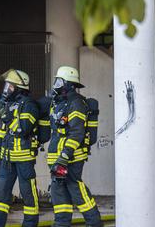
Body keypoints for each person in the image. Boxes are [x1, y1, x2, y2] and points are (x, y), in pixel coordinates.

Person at [0, 69, 48, 227]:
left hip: (24, 159)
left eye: (10, 87)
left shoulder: (29, 105)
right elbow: (5, 128)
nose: (7, 90)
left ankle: (30, 224)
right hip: (7, 159)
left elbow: (23, 129)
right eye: (7, 86)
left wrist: (6, 115)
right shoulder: (10, 105)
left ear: (20, 87)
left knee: (28, 194)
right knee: (1, 194)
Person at [48, 66, 102, 227]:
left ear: (69, 85)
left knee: (74, 187)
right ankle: (62, 223)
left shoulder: (76, 103)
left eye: (59, 81)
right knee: (58, 190)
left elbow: (77, 133)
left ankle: (94, 222)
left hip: (71, 156)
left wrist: (65, 156)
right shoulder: (58, 103)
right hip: (56, 155)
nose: (56, 85)